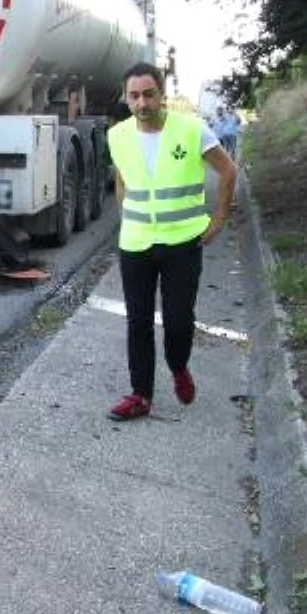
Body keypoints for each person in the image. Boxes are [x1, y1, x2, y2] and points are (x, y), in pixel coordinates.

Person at [106, 61, 237, 421]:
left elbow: (228, 170)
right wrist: (126, 219)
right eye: (134, 96)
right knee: (138, 322)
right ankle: (141, 395)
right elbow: (122, 180)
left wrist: (218, 220)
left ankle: (178, 367)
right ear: (126, 97)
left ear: (162, 95)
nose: (142, 102)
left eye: (149, 94)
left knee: (178, 323)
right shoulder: (117, 135)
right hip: (135, 244)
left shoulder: (192, 130)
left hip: (182, 243)